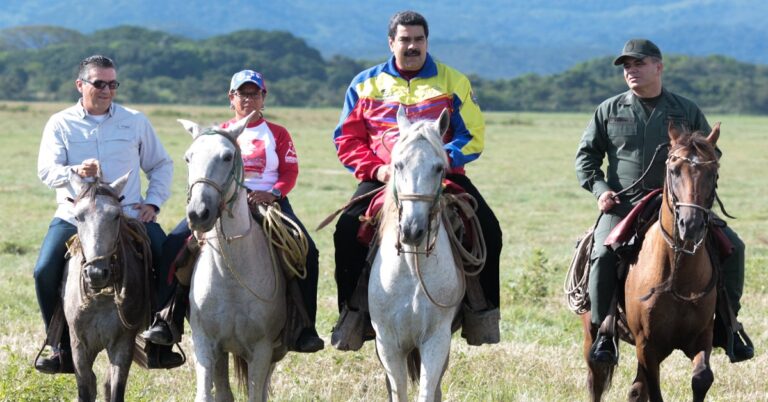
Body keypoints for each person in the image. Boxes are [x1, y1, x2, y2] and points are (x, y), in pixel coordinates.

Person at [575, 39, 753, 364]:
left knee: (734, 248)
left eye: (638, 64)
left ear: (658, 67)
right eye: (627, 66)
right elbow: (586, 158)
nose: (631, 70)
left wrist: (697, 180)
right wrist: (601, 190)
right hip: (625, 204)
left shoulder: (685, 110)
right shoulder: (609, 109)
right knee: (602, 254)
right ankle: (604, 334)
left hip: (683, 204)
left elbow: (711, 155)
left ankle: (728, 327)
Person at [331, 10, 502, 346]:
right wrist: (376, 169)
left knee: (489, 230)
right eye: (405, 40)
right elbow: (346, 139)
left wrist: (440, 160)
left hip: (440, 175)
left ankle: (481, 314)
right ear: (391, 42)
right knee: (347, 230)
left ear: (427, 42)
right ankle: (352, 317)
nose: (412, 46)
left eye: (419, 40)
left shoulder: (454, 82)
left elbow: (473, 135)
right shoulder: (364, 83)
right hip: (384, 176)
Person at [141, 69, 324, 353]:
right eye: (242, 94)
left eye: (254, 93)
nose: (248, 99)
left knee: (306, 250)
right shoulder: (219, 134)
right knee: (173, 245)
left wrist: (273, 193)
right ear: (231, 98)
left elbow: (289, 171)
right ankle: (167, 318)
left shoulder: (278, 133)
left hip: (269, 201)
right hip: (223, 202)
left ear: (264, 97)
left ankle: (304, 327)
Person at [34, 55, 180, 373]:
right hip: (77, 215)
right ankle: (59, 346)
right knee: (44, 269)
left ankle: (161, 339)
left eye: (112, 84)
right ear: (80, 85)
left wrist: (153, 204)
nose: (107, 90)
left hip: (127, 214)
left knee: (169, 256)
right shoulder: (60, 123)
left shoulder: (135, 120)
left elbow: (161, 165)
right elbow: (46, 171)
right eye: (99, 83)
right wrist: (75, 170)